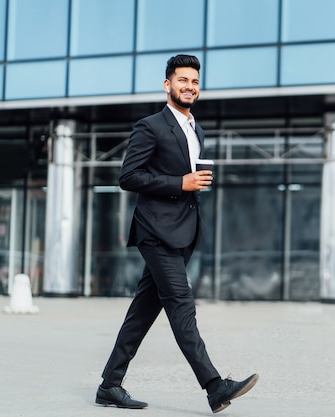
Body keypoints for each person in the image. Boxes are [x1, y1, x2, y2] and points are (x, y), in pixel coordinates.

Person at [95, 54, 258, 413]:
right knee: (182, 305)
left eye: (195, 82)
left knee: (142, 313)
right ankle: (215, 386)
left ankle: (109, 385)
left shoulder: (196, 129)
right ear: (167, 84)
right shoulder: (150, 126)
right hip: (156, 231)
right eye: (182, 80)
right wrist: (179, 183)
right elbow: (128, 177)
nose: (190, 87)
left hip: (183, 231)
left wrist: (192, 183)